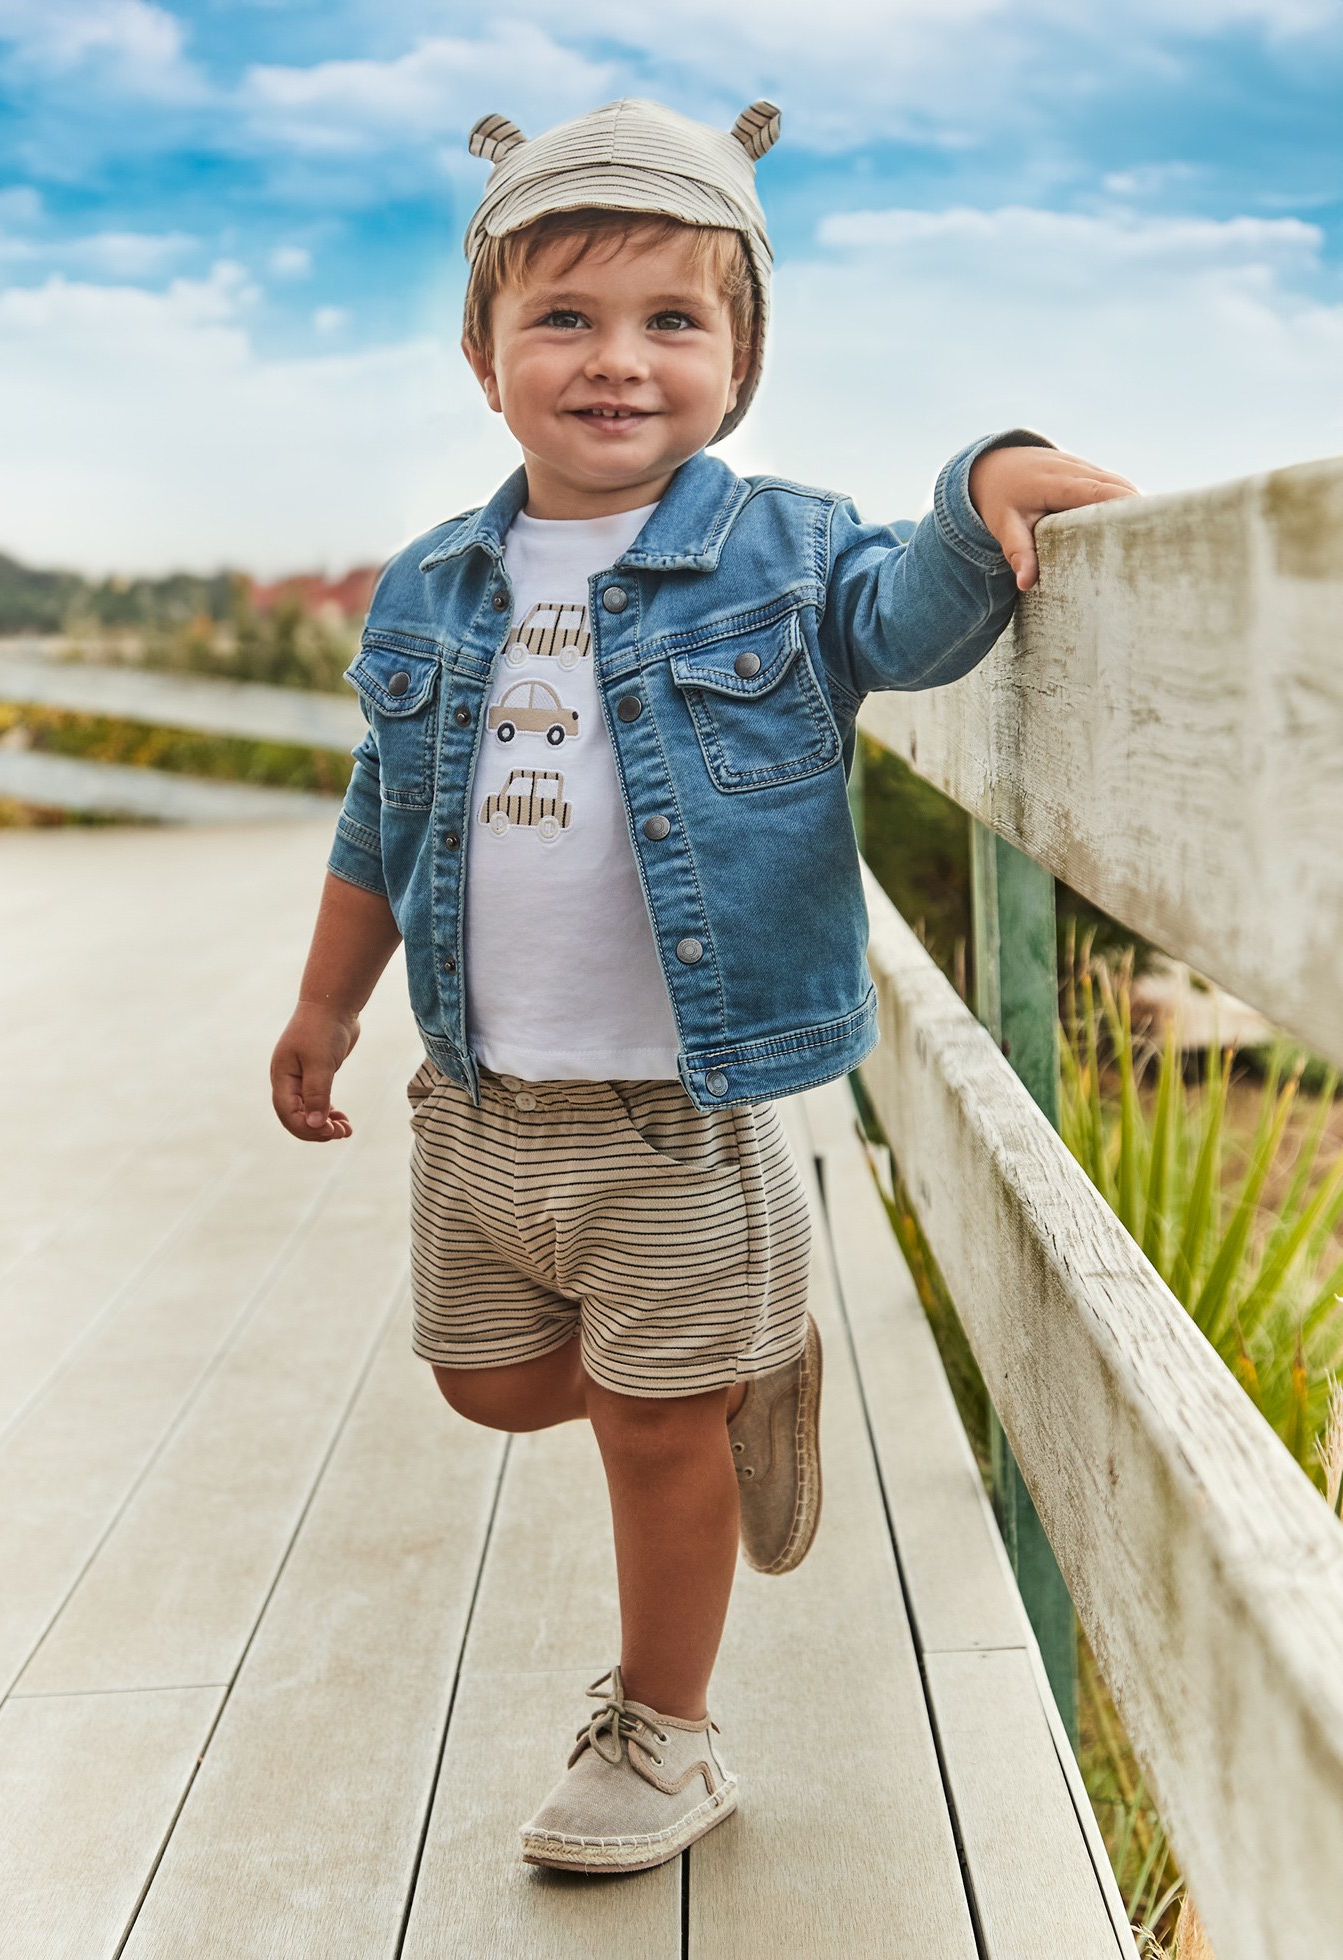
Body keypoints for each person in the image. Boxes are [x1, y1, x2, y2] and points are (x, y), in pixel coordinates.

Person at [269, 96, 1135, 1876]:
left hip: (683, 1101)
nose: (618, 362)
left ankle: (664, 1735)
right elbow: (386, 807)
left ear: (739, 357)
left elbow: (907, 618)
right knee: (493, 1386)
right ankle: (749, 1356)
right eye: (565, 320)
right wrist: (326, 1002)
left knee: (652, 1434)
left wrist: (984, 483)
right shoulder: (438, 583)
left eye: (674, 320)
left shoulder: (786, 551)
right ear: (483, 355)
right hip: (482, 1094)